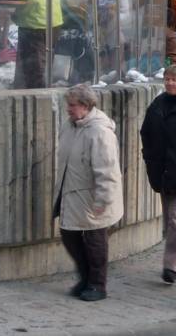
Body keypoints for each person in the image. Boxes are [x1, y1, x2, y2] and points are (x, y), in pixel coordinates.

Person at [54, 84, 123, 302]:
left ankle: (97, 285)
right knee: (69, 235)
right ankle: (85, 278)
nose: (68, 109)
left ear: (86, 106)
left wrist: (103, 200)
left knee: (95, 241)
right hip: (72, 192)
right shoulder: (69, 126)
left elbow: (107, 170)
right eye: (68, 104)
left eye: (72, 105)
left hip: (93, 196)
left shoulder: (100, 132)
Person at [140, 64, 176, 284]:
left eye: (175, 80)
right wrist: (148, 155)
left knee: (175, 219)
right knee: (174, 221)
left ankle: (170, 266)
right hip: (162, 170)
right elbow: (146, 132)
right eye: (167, 79)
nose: (170, 83)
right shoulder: (158, 104)